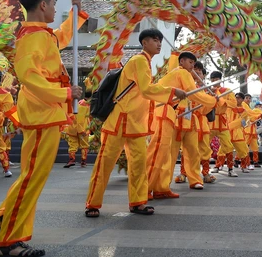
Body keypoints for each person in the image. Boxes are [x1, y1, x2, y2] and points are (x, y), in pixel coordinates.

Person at [0, 0, 86, 257]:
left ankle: (2, 223)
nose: (55, 9)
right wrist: (65, 92)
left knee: (30, 174)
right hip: (43, 111)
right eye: (54, 4)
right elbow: (28, 75)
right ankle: (10, 242)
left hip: (45, 110)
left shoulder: (41, 34)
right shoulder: (33, 36)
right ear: (43, 5)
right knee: (33, 177)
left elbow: (62, 37)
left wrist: (77, 13)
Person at [85, 28, 187, 217]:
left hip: (136, 124)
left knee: (139, 165)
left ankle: (138, 202)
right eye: (155, 40)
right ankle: (93, 203)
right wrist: (173, 92)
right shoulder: (139, 60)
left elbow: (145, 94)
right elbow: (147, 90)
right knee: (105, 164)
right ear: (144, 42)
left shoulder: (145, 63)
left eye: (160, 41)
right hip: (119, 122)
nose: (158, 44)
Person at [147, 51, 217, 198]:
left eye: (196, 66)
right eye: (191, 64)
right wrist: (212, 100)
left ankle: (167, 186)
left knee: (192, 152)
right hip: (173, 119)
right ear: (182, 62)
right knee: (166, 154)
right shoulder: (181, 74)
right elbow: (193, 94)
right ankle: (152, 188)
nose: (193, 68)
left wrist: (211, 100)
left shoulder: (193, 83)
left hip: (190, 122)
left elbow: (202, 108)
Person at [209, 71, 239, 177]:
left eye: (216, 79)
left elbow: (234, 103)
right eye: (212, 80)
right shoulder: (208, 90)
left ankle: (230, 168)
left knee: (228, 145)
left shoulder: (226, 91)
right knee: (203, 144)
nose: (214, 82)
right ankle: (206, 171)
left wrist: (221, 100)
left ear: (220, 79)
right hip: (211, 121)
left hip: (222, 121)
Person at [63, 91, 92, 168]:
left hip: (73, 128)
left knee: (72, 145)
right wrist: (82, 130)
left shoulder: (79, 104)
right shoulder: (84, 106)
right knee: (84, 145)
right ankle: (83, 161)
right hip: (82, 129)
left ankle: (72, 160)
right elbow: (80, 120)